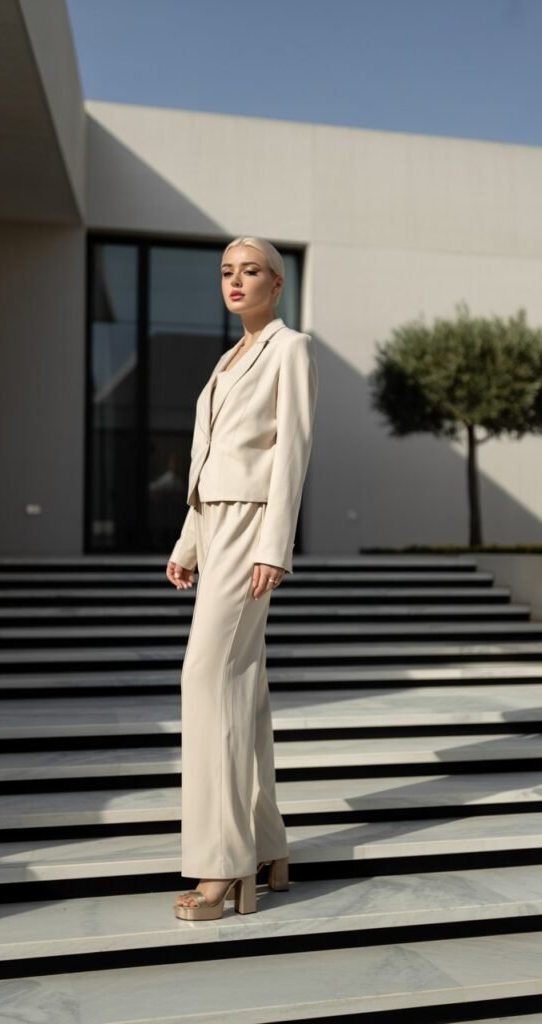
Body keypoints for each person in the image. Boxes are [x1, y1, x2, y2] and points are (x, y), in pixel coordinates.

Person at [166, 235, 318, 921]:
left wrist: (274, 544)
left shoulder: (291, 347)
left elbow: (293, 449)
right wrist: (189, 540)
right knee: (243, 687)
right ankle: (265, 843)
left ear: (276, 285)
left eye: (250, 271)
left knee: (206, 678)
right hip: (217, 526)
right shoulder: (226, 361)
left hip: (253, 529)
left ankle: (222, 865)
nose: (236, 281)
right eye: (227, 271)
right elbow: (206, 462)